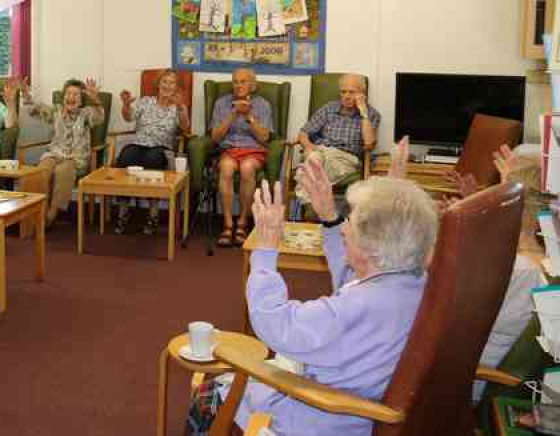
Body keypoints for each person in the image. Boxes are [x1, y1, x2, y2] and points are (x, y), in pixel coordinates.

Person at [186, 140, 438, 435]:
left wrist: (266, 250)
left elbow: (273, 322)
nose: (345, 227)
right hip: (353, 408)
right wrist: (329, 217)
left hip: (319, 415)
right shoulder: (412, 282)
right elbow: (353, 276)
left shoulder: (351, 309)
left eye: (351, 222)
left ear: (375, 246)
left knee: (209, 389)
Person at [443, 145, 546, 402]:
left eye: (499, 194)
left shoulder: (517, 271)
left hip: (464, 376)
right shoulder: (538, 262)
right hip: (475, 364)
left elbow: (445, 317)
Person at [113, 69, 190, 235]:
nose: (167, 86)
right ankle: (123, 212)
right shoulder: (146, 101)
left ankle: (153, 214)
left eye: (172, 83)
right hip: (139, 143)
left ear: (176, 87)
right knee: (126, 155)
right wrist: (126, 105)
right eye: (164, 82)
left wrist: (180, 109)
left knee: (152, 159)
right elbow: (129, 117)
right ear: (158, 84)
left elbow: (185, 128)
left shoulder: (178, 107)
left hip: (162, 147)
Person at [21, 78, 106, 226]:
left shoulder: (86, 113)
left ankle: (52, 213)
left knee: (62, 170)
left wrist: (95, 100)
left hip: (75, 158)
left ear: (81, 100)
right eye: (68, 93)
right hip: (54, 153)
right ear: (64, 96)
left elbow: (99, 117)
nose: (71, 97)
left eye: (76, 95)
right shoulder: (56, 110)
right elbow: (35, 109)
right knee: (42, 170)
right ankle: (39, 210)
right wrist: (26, 95)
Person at [208, 67, 273, 246]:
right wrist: (233, 114)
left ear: (253, 85)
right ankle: (228, 224)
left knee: (247, 168)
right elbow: (215, 137)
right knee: (227, 168)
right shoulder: (222, 103)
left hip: (253, 150)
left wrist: (248, 117)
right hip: (228, 149)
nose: (238, 85)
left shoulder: (263, 105)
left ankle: (243, 222)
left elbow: (264, 137)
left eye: (243, 82)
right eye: (235, 81)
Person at [294, 73, 380, 204]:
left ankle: (304, 203)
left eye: (352, 92)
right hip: (321, 151)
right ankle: (314, 207)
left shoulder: (371, 115)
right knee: (313, 158)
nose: (346, 96)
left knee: (312, 165)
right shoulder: (329, 108)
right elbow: (304, 132)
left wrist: (363, 112)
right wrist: (307, 146)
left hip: (346, 158)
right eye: (343, 92)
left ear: (362, 94)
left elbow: (369, 143)